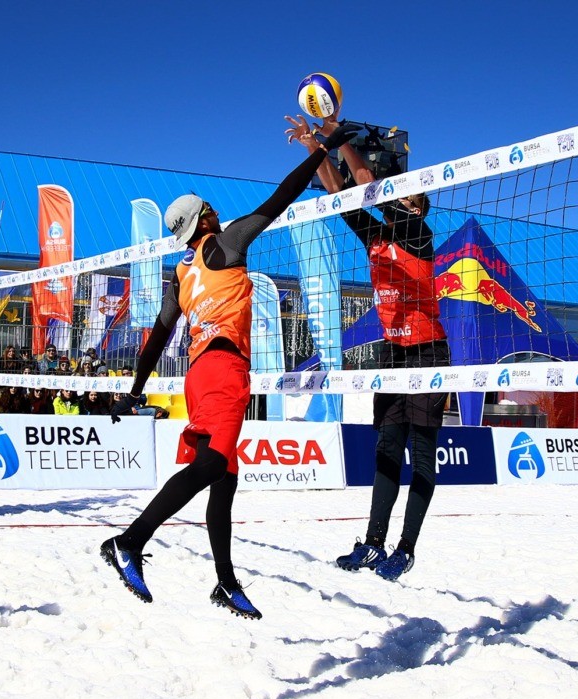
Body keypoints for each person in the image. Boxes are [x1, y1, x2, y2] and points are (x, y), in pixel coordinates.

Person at [100, 121, 359, 618]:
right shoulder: (224, 244)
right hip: (222, 370)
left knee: (225, 481)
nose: (216, 210)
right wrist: (324, 147)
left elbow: (158, 335)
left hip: (199, 373)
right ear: (201, 220)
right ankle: (129, 542)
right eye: (209, 209)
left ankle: (225, 583)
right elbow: (280, 198)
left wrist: (135, 387)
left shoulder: (181, 271)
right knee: (212, 467)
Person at [292, 114, 448, 581]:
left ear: (416, 206)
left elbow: (362, 180)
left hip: (428, 354)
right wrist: (314, 147)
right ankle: (374, 544)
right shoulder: (376, 236)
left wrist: (337, 137)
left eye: (405, 194)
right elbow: (344, 192)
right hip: (393, 352)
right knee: (386, 451)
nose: (396, 194)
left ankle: (406, 548)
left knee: (420, 456)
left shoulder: (419, 235)